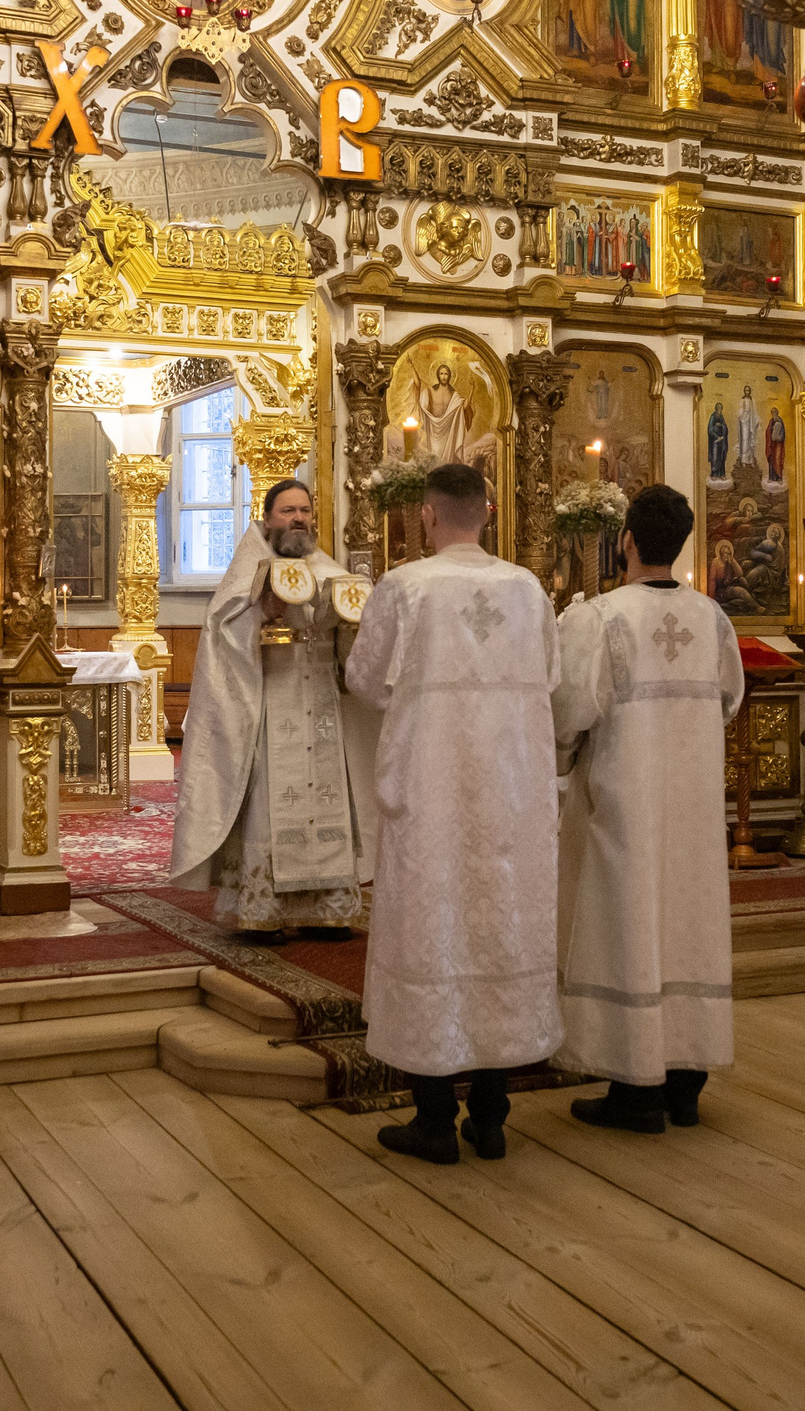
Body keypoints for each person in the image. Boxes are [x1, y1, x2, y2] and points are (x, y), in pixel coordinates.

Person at [345, 462, 562, 1164]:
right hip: (512, 795)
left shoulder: (405, 586)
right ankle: (492, 1115)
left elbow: (363, 679)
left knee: (430, 930)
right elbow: (552, 679)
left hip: (432, 789)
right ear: (488, 513)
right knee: (501, 926)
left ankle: (435, 1118)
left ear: (430, 516)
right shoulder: (528, 590)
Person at [551, 485, 744, 1132]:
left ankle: (636, 1087)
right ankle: (686, 1081)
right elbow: (730, 700)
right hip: (690, 802)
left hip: (624, 800)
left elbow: (569, 712)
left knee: (626, 921)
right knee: (688, 920)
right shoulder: (713, 618)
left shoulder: (600, 617)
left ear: (627, 540)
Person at [171, 481, 377, 943]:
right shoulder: (248, 571)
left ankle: (328, 908)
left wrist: (351, 623)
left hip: (320, 703)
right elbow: (223, 633)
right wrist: (260, 611)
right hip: (270, 703)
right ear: (268, 519)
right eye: (288, 511)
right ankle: (266, 910)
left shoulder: (328, 569)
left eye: (305, 510)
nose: (298, 518)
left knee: (327, 800)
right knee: (271, 803)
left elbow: (350, 643)